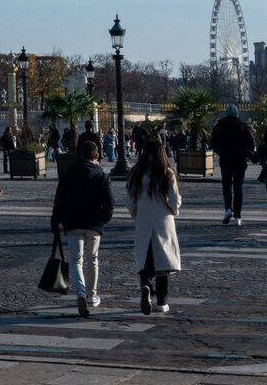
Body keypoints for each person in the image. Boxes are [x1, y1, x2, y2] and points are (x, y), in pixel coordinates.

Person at [51, 134, 115, 317]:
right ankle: (92, 295)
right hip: (94, 223)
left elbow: (59, 200)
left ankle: (80, 292)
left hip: (73, 221)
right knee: (92, 259)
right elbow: (110, 203)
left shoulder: (68, 173)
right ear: (96, 156)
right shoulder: (101, 175)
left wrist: (55, 221)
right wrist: (104, 219)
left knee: (76, 260)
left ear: (79, 154)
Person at [127, 135, 182, 315]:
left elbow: (130, 201)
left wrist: (135, 213)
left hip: (144, 219)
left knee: (145, 258)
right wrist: (174, 209)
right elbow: (174, 199)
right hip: (162, 219)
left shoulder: (137, 173)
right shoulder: (166, 173)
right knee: (163, 262)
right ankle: (161, 302)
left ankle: (146, 286)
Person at [209, 104, 256, 226]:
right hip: (240, 161)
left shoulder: (219, 127)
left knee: (227, 186)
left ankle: (228, 208)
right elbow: (251, 145)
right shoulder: (244, 127)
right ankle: (238, 216)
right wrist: (246, 155)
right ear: (237, 114)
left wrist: (221, 152)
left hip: (225, 160)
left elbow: (213, 143)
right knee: (238, 188)